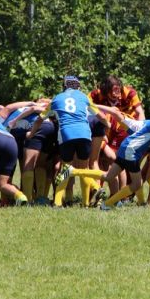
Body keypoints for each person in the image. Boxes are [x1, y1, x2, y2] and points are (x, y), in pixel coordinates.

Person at [28, 75, 108, 208]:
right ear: (78, 86)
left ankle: (58, 202)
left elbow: (39, 119)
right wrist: (108, 125)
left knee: (65, 169)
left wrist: (31, 133)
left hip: (66, 134)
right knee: (84, 168)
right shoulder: (84, 97)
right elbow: (101, 116)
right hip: (84, 134)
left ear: (64, 86)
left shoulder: (56, 99)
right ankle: (87, 201)